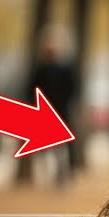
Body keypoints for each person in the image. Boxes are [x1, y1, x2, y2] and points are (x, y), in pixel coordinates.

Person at [28, 25, 82, 185]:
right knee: (44, 147)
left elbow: (72, 90)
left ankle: (63, 175)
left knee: (63, 146)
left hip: (61, 111)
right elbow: (32, 89)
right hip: (43, 112)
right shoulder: (40, 69)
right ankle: (46, 176)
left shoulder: (66, 69)